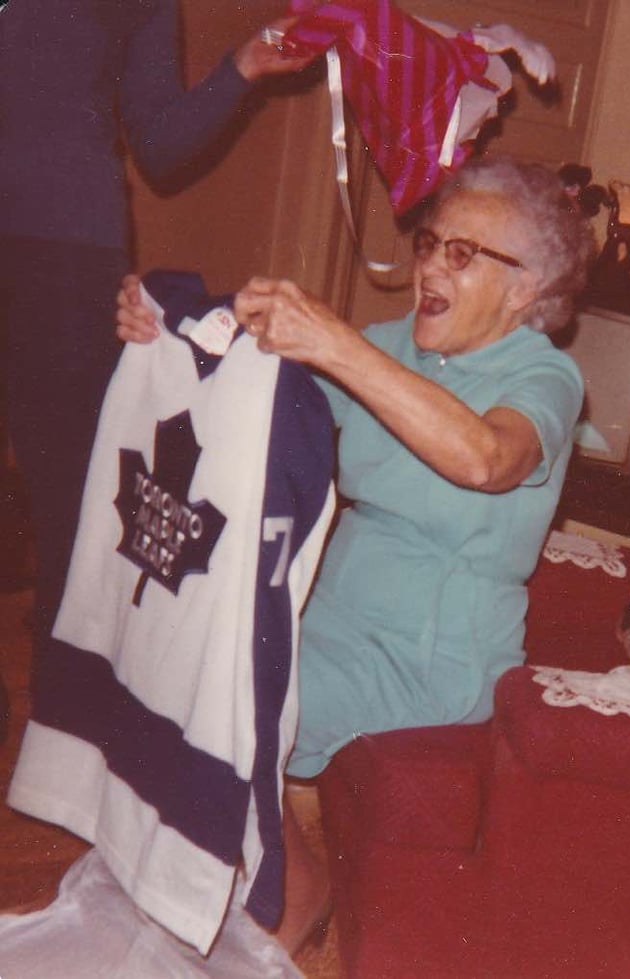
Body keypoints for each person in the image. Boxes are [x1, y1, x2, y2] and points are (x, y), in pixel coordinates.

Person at [116, 155, 596, 952]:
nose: (432, 265)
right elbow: (243, 374)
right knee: (175, 651)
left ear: (526, 290)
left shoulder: (547, 378)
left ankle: (296, 885)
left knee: (228, 694)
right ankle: (271, 866)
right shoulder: (393, 345)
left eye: (464, 253)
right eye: (431, 242)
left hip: (428, 657)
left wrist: (337, 346)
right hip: (329, 619)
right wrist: (169, 325)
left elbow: (484, 458)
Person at [0, 1, 316, 680]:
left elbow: (163, 150)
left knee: (68, 504)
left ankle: (59, 728)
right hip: (59, 238)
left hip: (67, 249)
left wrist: (247, 64)